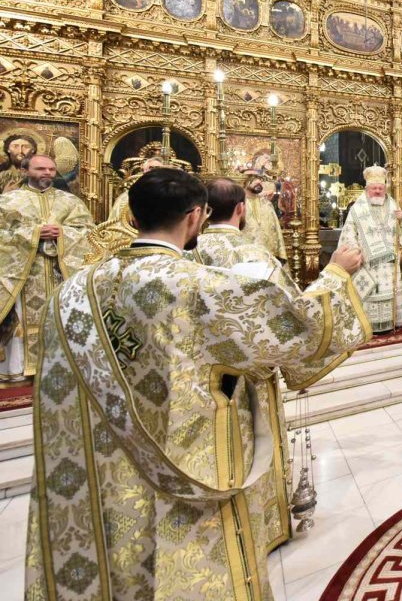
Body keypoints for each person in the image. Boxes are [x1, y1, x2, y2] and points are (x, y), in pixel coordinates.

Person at [24, 168, 371, 600]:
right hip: (182, 455)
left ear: (132, 217)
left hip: (102, 466)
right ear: (195, 218)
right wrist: (336, 275)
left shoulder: (72, 292)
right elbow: (300, 328)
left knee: (117, 552)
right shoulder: (194, 287)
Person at [188, 178, 298, 552]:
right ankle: (261, 524)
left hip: (195, 375)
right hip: (249, 375)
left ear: (203, 210)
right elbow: (290, 318)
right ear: (241, 209)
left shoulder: (185, 254)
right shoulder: (255, 256)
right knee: (256, 442)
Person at [0, 154, 93, 382]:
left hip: (60, 273)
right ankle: (18, 369)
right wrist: (33, 235)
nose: (47, 173)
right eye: (41, 168)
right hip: (23, 275)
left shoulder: (71, 202)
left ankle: (61, 367)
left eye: (51, 169)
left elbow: (89, 234)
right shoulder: (8, 202)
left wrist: (63, 234)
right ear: (25, 171)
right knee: (19, 320)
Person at [337, 165, 402, 332]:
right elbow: (348, 232)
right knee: (371, 293)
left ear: (385, 188)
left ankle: (391, 323)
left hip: (389, 263)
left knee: (388, 293)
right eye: (374, 188)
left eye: (380, 188)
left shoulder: (392, 204)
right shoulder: (358, 208)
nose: (377, 191)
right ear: (367, 189)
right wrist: (356, 252)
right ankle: (369, 326)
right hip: (368, 262)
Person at [242, 173, 288, 261]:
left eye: (260, 184)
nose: (259, 185)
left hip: (268, 254)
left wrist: (280, 253)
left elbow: (276, 229)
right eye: (255, 183)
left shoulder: (266, 204)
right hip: (247, 253)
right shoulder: (241, 204)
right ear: (245, 183)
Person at [108, 155, 166, 223]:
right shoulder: (126, 198)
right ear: (143, 172)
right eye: (151, 168)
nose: (154, 171)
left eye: (158, 168)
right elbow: (116, 225)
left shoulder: (171, 195)